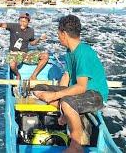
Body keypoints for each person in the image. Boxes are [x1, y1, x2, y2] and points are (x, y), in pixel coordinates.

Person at [33, 15, 109, 153]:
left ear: (64, 33)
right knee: (38, 89)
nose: (58, 37)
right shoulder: (69, 51)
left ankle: (76, 146)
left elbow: (81, 86)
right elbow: (67, 76)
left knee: (67, 102)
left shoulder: (83, 52)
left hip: (95, 95)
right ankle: (68, 113)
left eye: (58, 34)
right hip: (79, 93)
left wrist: (55, 96)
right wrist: (58, 100)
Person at [0, 12, 48, 80]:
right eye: (21, 21)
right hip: (14, 54)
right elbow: (2, 24)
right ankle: (18, 75)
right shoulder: (14, 26)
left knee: (45, 56)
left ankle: (33, 76)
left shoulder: (31, 30)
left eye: (25, 22)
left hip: (25, 54)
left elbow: (32, 43)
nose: (22, 23)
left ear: (28, 22)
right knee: (12, 65)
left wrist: (39, 39)